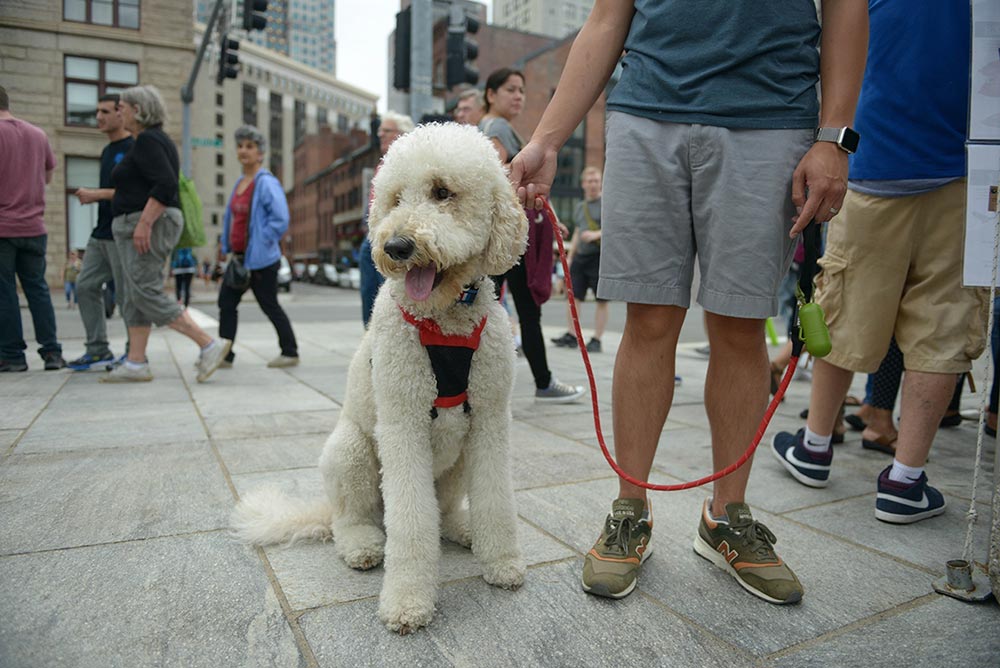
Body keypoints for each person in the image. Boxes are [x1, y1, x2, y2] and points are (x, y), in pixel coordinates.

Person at [510, 1, 867, 602]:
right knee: (646, 321)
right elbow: (606, 18)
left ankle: (726, 518)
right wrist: (547, 137)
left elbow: (846, 7)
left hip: (771, 116)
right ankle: (630, 510)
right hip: (647, 111)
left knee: (740, 326)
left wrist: (834, 136)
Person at [771, 1, 983, 525]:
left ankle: (816, 446)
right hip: (968, 167)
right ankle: (905, 481)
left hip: (874, 160)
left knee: (843, 308)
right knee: (944, 323)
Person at [101, 84, 230, 383]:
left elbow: (165, 184)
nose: (119, 111)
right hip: (138, 222)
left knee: (145, 291)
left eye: (123, 106)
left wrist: (144, 223)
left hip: (147, 224)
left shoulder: (148, 140)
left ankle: (208, 344)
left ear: (139, 109)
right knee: (134, 294)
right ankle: (135, 362)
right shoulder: (146, 141)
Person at [480, 67, 585, 403]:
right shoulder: (496, 129)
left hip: (507, 232)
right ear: (491, 94)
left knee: (490, 306)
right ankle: (542, 382)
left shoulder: (501, 129)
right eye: (510, 89)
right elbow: (497, 179)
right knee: (518, 310)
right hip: (508, 236)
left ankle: (479, 384)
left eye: (522, 90)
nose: (518, 96)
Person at [218, 125, 298, 368]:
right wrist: (226, 244)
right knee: (226, 303)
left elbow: (280, 219)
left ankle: (290, 352)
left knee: (269, 305)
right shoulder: (240, 182)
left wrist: (261, 242)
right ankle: (225, 354)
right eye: (240, 146)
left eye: (250, 147)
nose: (244, 151)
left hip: (262, 260)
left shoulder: (266, 183)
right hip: (240, 258)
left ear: (260, 153)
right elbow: (232, 218)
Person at [67, 93, 135, 371]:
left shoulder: (133, 147)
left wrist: (96, 194)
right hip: (100, 233)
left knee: (125, 295)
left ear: (121, 113)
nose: (98, 117)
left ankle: (135, 353)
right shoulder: (107, 150)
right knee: (84, 286)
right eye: (96, 111)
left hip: (122, 232)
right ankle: (97, 349)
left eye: (105, 111)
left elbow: (134, 193)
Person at [0, 85, 67, 372]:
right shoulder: (37, 134)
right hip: (34, 226)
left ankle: (12, 356)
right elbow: (48, 176)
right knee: (37, 289)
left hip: (3, 228)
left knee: (4, 292)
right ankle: (52, 352)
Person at [359, 111, 413, 328]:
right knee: (368, 292)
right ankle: (370, 336)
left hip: (395, 236)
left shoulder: (410, 165)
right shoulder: (382, 165)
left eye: (386, 130)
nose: (380, 134)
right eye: (380, 130)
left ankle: (392, 332)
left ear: (402, 134)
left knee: (392, 291)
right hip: (372, 237)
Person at [551, 166, 608, 353]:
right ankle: (572, 334)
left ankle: (597, 339)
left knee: (601, 300)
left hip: (598, 257)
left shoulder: (606, 204)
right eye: (589, 181)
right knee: (573, 297)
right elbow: (577, 232)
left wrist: (596, 234)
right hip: (581, 258)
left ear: (600, 183)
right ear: (583, 184)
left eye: (596, 181)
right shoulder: (580, 207)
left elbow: (616, 228)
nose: (593, 185)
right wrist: (570, 257)